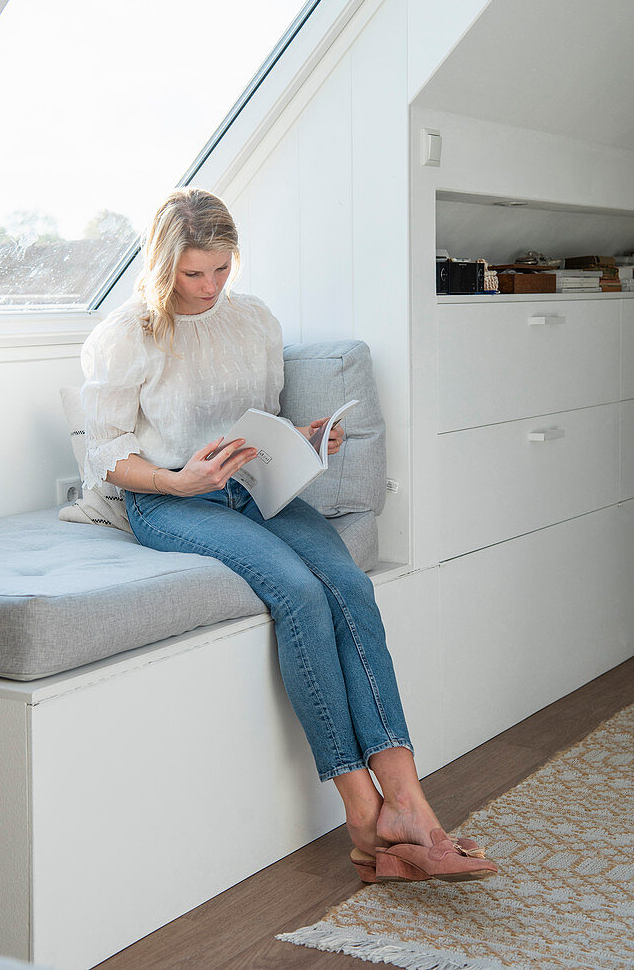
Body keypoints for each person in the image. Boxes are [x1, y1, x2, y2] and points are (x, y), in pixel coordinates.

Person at [81, 187, 497, 884]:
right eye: (193, 274)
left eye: (221, 269)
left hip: (250, 486)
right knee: (301, 595)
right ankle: (362, 811)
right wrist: (179, 481)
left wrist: (301, 441)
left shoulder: (253, 320)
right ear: (162, 267)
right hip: (171, 500)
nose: (210, 287)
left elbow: (257, 421)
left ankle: (411, 804)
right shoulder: (128, 335)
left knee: (351, 589)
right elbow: (106, 451)